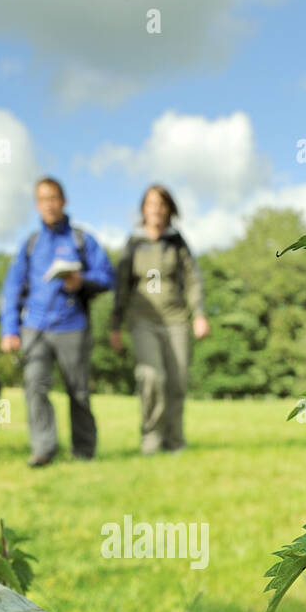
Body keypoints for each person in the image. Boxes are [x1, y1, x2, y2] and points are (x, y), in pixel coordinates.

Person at [0, 178, 114, 466]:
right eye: (42, 199)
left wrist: (82, 281)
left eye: (53, 198)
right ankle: (43, 448)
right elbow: (11, 288)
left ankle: (84, 451)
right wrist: (9, 330)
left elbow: (106, 277)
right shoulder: (31, 244)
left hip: (73, 326)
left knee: (78, 391)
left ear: (63, 201)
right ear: (37, 205)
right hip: (34, 328)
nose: (48, 204)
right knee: (34, 386)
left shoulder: (81, 240)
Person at [109, 184, 209, 454]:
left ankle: (174, 440)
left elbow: (193, 280)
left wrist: (199, 313)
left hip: (176, 319)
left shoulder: (177, 242)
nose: (156, 209)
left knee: (177, 380)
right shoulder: (134, 244)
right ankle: (151, 438)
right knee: (152, 376)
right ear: (143, 209)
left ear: (169, 209)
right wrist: (115, 324)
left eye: (161, 204)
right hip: (142, 320)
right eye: (151, 204)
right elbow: (121, 286)